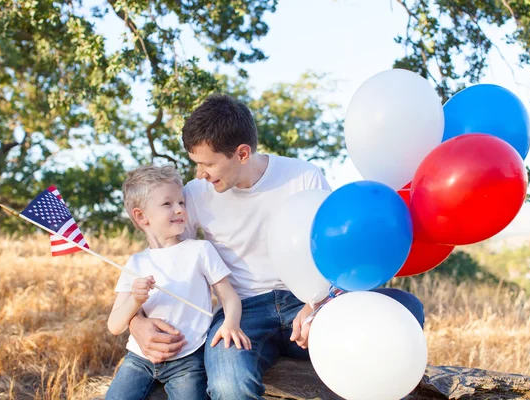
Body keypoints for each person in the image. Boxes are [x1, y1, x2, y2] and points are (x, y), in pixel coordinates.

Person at [128, 94, 425, 399]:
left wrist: (319, 304)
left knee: (407, 308)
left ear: (242, 153)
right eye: (196, 164)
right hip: (243, 310)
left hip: (309, 301)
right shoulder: (195, 193)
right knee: (229, 386)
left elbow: (337, 253)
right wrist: (135, 321)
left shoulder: (303, 177)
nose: (200, 174)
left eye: (208, 164)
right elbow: (163, 260)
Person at [106, 164, 250, 400]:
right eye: (167, 204)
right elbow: (114, 325)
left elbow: (229, 296)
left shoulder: (200, 250)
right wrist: (135, 299)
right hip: (139, 359)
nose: (180, 209)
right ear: (141, 216)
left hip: (188, 360)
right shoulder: (136, 263)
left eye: (181, 202)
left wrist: (231, 324)